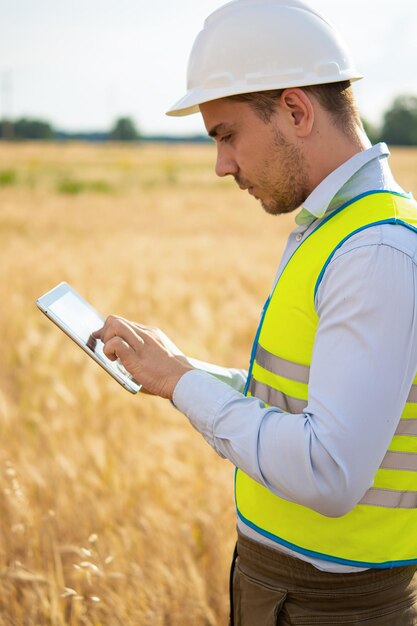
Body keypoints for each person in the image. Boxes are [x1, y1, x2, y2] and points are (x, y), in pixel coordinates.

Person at [94, 0, 417, 623]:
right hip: (290, 589)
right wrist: (183, 370)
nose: (222, 165)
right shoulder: (337, 230)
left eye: (226, 135)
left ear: (295, 110)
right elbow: (300, 405)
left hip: (333, 607)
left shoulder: (373, 250)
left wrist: (183, 385)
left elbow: (328, 471)